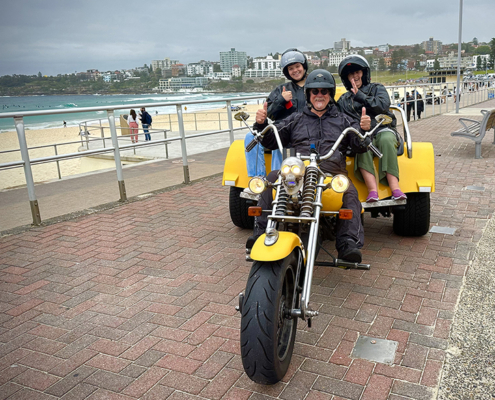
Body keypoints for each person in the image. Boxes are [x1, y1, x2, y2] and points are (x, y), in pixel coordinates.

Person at [249, 69, 372, 263]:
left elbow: (360, 145)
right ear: (308, 95)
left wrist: (364, 131)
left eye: (324, 91)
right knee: (272, 178)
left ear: (330, 94)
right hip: (298, 172)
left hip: (330, 173)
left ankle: (348, 243)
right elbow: (272, 139)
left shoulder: (343, 119)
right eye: (315, 91)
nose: (319, 95)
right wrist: (261, 124)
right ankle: (260, 233)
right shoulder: (296, 119)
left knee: (349, 191)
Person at [337, 55, 406, 203]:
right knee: (362, 143)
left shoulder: (377, 88)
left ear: (364, 73)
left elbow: (383, 105)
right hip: (361, 133)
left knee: (386, 139)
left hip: (382, 128)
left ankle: (395, 188)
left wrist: (360, 96)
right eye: (351, 74)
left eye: (357, 72)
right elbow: (337, 118)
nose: (355, 76)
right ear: (346, 78)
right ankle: (372, 190)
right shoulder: (343, 100)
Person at [245, 49, 309, 177]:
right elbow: (270, 113)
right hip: (281, 128)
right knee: (250, 137)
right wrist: (281, 100)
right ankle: (258, 178)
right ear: (287, 72)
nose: (295, 70)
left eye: (297, 66)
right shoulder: (280, 89)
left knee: (281, 143)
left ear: (304, 66)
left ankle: (277, 178)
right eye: (291, 68)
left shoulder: (314, 88)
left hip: (302, 130)